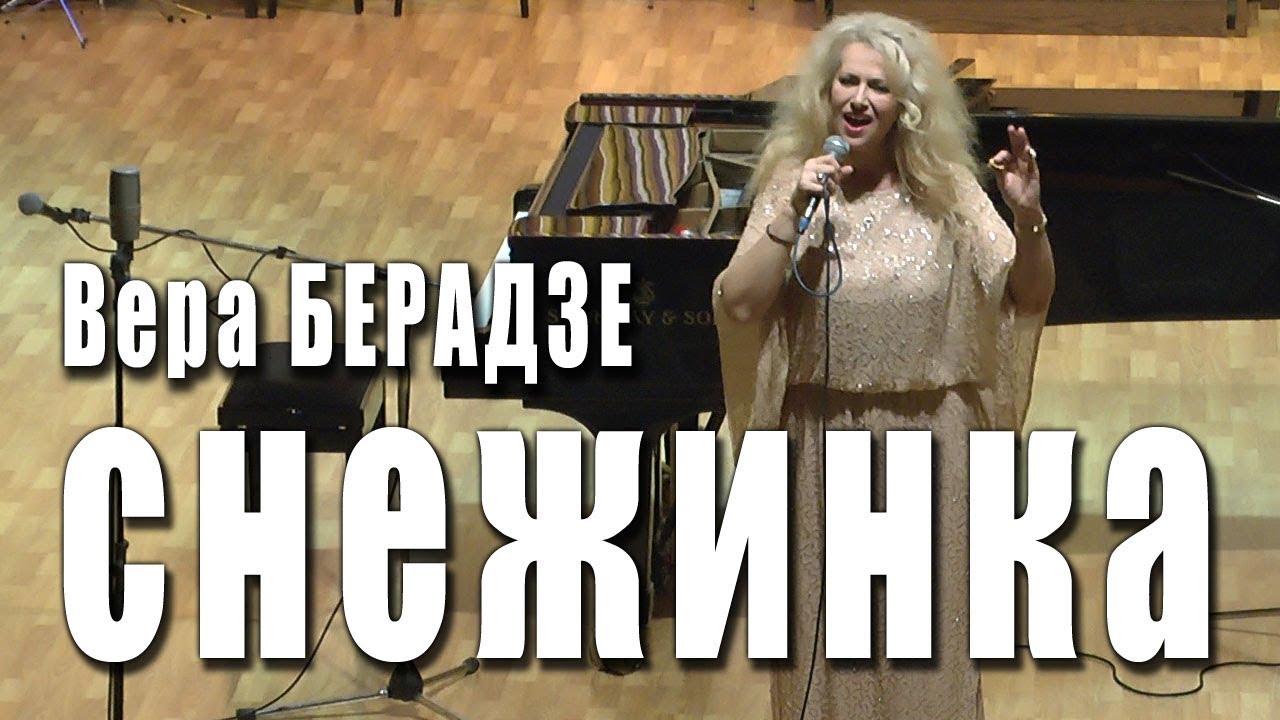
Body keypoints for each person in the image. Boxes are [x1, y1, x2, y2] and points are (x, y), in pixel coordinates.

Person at [711, 12, 1054, 720]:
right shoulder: (792, 185)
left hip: (933, 451)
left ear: (907, 106)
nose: (860, 99)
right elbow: (739, 305)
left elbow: (1028, 295)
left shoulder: (949, 191)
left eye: (879, 87)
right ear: (825, 91)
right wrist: (790, 215)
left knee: (927, 653)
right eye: (848, 82)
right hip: (820, 449)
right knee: (823, 655)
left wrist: (1029, 218)